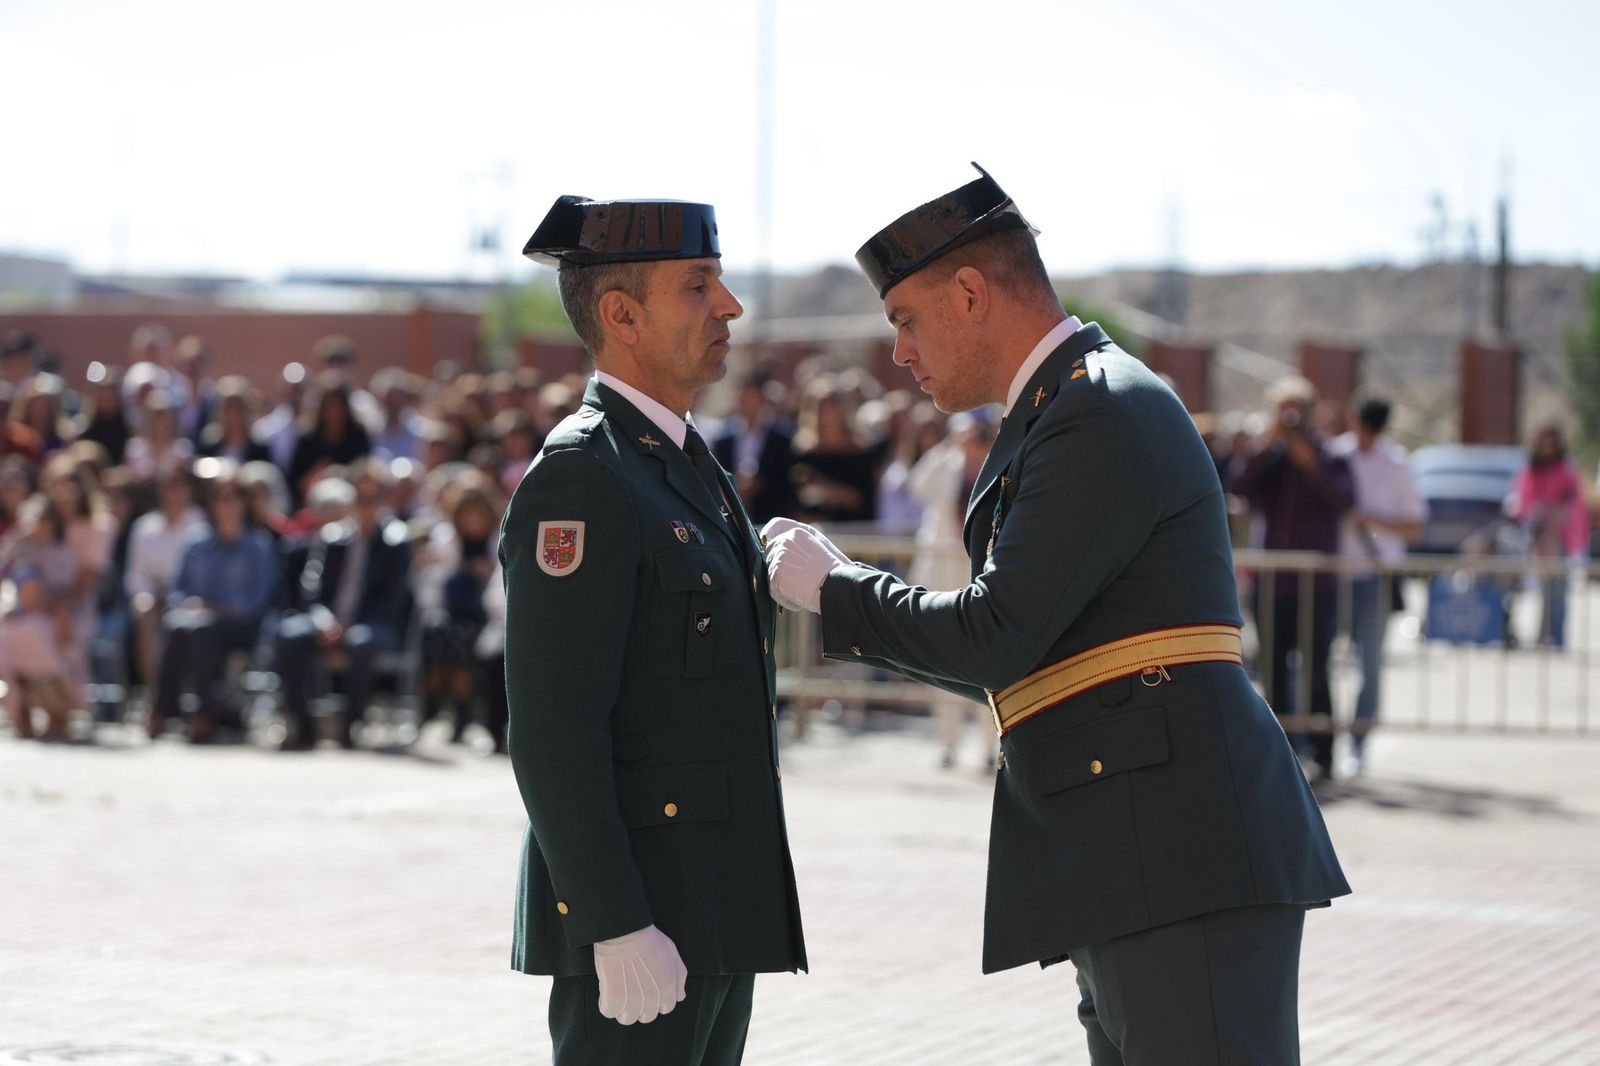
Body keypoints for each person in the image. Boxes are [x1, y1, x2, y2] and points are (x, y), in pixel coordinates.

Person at [765, 165, 1347, 1065]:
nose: (901, 354)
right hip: (1135, 849)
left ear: (969, 293)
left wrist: (836, 591)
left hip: (1175, 851)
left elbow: (999, 632)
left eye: (906, 321)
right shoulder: (1067, 407)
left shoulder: (1096, 411)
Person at [502, 194, 805, 1065]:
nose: (729, 305)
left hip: (710, 909)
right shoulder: (582, 477)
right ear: (621, 313)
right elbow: (555, 729)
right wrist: (613, 922)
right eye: (698, 284)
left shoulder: (681, 462)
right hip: (642, 924)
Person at [1232, 375, 1356, 782]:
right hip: (1274, 585)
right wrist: (1266, 445)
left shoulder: (1331, 456)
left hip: (1316, 585)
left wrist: (1310, 464)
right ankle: (1282, 752)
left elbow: (1343, 500)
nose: (1291, 419)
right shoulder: (1271, 456)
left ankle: (1324, 753)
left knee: (1317, 668)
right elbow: (1240, 489)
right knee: (1273, 668)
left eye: (1297, 411)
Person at [274, 462, 411, 750]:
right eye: (361, 498)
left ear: (383, 501)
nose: (366, 506)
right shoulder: (331, 538)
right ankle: (303, 724)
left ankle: (349, 728)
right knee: (288, 634)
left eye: (372, 499)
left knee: (361, 642)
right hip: (328, 620)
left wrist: (348, 627)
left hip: (371, 623)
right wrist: (327, 623)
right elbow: (313, 592)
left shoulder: (396, 542)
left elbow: (392, 600)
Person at [148, 463, 278, 742]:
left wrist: (214, 609)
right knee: (177, 625)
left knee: (199, 629)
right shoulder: (196, 542)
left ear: (244, 503)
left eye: (232, 498)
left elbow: (255, 602)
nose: (226, 506)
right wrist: (192, 605)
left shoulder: (258, 546)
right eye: (219, 498)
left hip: (240, 626)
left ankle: (205, 715)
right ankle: (165, 709)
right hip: (196, 622)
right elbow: (177, 590)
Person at [1329, 397, 1425, 772]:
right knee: (1318, 659)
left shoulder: (1397, 465)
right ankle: (1315, 738)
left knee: (1368, 663)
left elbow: (1414, 526)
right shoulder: (1336, 455)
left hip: (1374, 576)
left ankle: (1357, 741)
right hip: (1331, 573)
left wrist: (1371, 520)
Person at [1509, 424, 1591, 648]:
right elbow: (1521, 500)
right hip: (1536, 536)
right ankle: (1541, 635)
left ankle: (1556, 637)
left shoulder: (1565, 470)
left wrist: (1559, 517)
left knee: (1558, 589)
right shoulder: (1531, 469)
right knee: (1539, 590)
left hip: (1560, 538)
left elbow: (1575, 504)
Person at [711, 373, 797, 525]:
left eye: (750, 397)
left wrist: (761, 484)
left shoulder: (784, 439)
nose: (744, 403)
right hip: (733, 521)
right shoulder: (723, 441)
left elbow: (789, 481)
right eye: (741, 398)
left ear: (762, 399)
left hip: (773, 518)